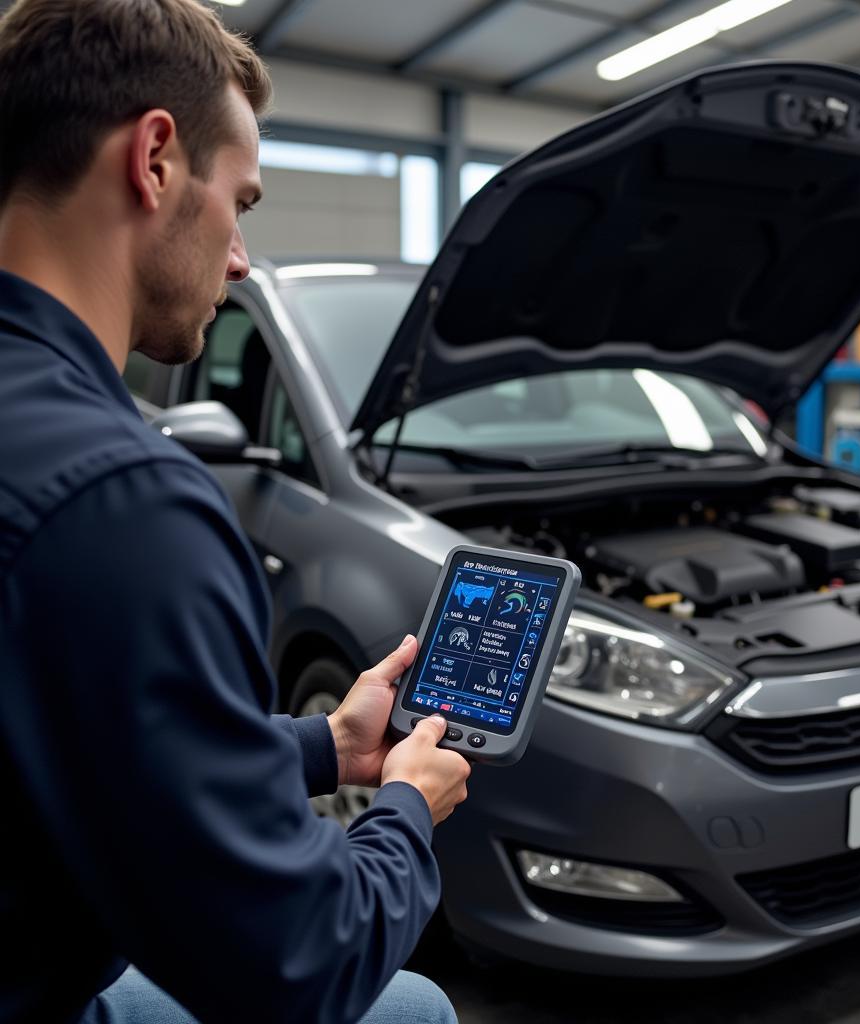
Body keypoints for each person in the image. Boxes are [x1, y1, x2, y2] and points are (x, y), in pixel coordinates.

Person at [0, 1, 472, 1021]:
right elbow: (297, 963)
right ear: (157, 159)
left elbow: (85, 730)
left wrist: (325, 746)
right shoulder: (125, 501)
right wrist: (404, 807)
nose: (241, 257)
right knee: (415, 1009)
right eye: (243, 203)